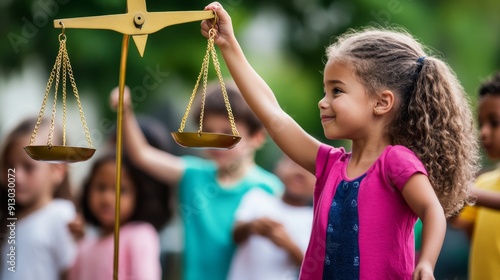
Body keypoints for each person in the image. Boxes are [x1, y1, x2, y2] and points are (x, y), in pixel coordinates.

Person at [201, 3, 480, 279]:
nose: (323, 102)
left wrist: (427, 263)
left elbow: (432, 211)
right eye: (325, 91)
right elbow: (275, 116)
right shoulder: (328, 164)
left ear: (382, 102)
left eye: (337, 90)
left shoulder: (396, 161)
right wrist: (228, 44)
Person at [109, 82, 283, 280]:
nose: (215, 141)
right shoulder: (193, 174)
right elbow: (141, 154)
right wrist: (125, 111)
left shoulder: (270, 188)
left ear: (257, 137)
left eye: (227, 133)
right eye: (207, 131)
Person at [68, 153, 171, 280]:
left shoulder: (140, 235)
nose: (108, 198)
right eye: (101, 187)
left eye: (121, 190)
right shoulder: (84, 246)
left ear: (138, 195)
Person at [0, 117, 76, 280]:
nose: (16, 177)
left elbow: (71, 272)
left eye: (29, 167)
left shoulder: (61, 215)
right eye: (9, 167)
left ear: (58, 170)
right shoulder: (10, 219)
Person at [227, 154, 315, 280]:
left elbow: (311, 267)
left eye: (310, 169)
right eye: (294, 163)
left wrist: (288, 244)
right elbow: (235, 236)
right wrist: (252, 226)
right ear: (279, 167)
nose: (300, 172)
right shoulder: (256, 197)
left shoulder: (315, 220)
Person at [451, 72, 500, 279]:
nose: (484, 132)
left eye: (495, 123)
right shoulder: (484, 183)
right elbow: (459, 223)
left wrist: (464, 191)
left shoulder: (476, 191)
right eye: (481, 124)